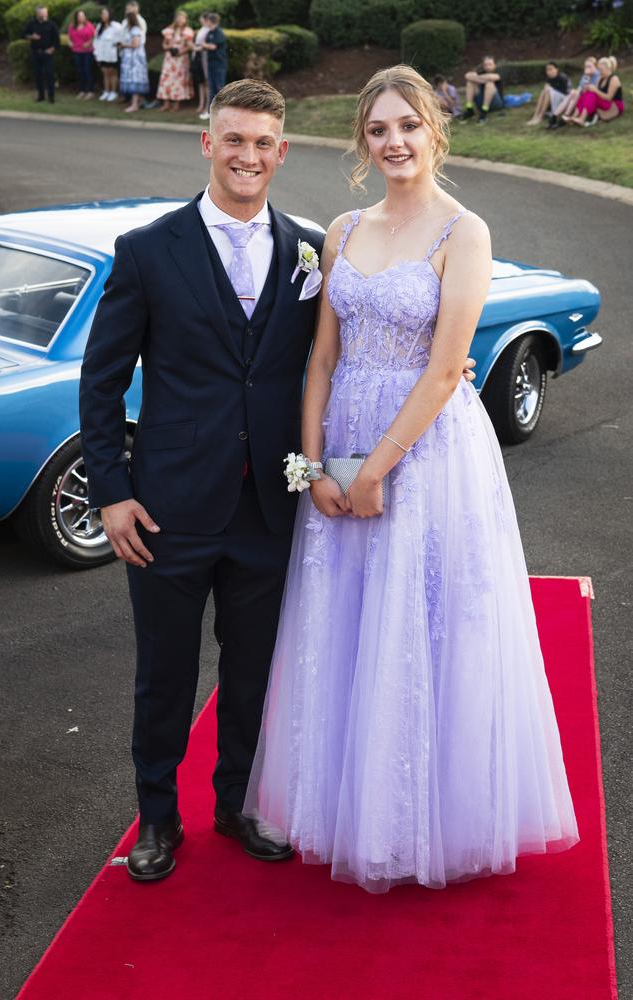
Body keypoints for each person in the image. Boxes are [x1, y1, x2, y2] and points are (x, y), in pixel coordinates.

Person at [79, 76, 477, 884]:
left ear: (282, 151)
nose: (247, 156)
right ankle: (159, 819)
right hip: (167, 508)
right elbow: (101, 377)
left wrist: (449, 369)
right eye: (233, 140)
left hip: (272, 505)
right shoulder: (148, 249)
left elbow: (351, 342)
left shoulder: (308, 245)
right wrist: (111, 491)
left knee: (256, 668)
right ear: (207, 144)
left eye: (263, 143)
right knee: (163, 671)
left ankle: (237, 804)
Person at [243, 64, 579, 893]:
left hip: (426, 451)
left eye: (408, 126)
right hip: (345, 444)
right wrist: (318, 467)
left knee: (422, 617)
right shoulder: (344, 227)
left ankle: (422, 817)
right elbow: (322, 357)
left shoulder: (464, 232)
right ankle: (343, 804)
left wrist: (373, 471)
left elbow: (440, 374)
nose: (394, 142)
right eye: (378, 130)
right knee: (349, 616)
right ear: (363, 140)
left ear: (436, 130)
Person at [567, 55, 624, 127]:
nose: (599, 72)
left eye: (601, 70)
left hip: (614, 104)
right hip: (604, 102)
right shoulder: (601, 78)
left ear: (608, 69)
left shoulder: (614, 79)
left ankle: (582, 119)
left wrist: (595, 90)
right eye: (599, 70)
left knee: (592, 94)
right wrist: (587, 88)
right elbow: (594, 91)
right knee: (586, 93)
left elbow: (609, 97)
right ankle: (575, 116)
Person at [156, 10, 194, 112]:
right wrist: (169, 47)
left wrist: (180, 51)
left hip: (181, 59)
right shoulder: (170, 30)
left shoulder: (187, 31)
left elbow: (190, 46)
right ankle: (166, 103)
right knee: (167, 79)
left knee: (178, 81)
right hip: (170, 59)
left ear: (185, 20)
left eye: (182, 18)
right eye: (179, 18)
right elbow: (164, 44)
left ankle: (176, 104)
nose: (180, 20)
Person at [23, 4, 59, 104]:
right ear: (37, 14)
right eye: (42, 13)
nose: (44, 15)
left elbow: (57, 40)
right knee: (38, 75)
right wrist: (31, 36)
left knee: (49, 74)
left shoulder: (52, 25)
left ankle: (51, 97)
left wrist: (52, 49)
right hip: (35, 53)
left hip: (47, 54)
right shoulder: (32, 24)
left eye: (45, 13)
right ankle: (41, 96)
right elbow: (23, 34)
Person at [117, 9, 149, 112]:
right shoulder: (131, 30)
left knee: (134, 81)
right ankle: (137, 102)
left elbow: (136, 44)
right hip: (129, 60)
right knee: (132, 81)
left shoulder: (135, 29)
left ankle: (135, 105)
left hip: (134, 61)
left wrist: (123, 45)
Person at [525, 61, 572, 126]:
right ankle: (535, 116)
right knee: (544, 91)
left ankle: (540, 117)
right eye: (547, 70)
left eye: (551, 69)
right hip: (554, 97)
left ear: (556, 69)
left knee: (548, 91)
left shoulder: (562, 78)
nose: (549, 71)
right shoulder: (549, 78)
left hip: (564, 100)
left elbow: (567, 93)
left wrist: (551, 89)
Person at [200, 11, 227, 120]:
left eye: (208, 21)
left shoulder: (218, 33)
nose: (207, 23)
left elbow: (213, 46)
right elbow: (207, 46)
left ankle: (222, 112)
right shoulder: (209, 33)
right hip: (211, 64)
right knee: (211, 88)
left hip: (219, 64)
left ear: (212, 21)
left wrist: (204, 45)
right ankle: (210, 112)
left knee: (219, 88)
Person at [460, 55, 503, 124]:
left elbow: (492, 77)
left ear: (494, 65)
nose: (488, 67)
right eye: (486, 65)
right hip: (481, 102)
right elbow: (467, 76)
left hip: (496, 103)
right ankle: (469, 109)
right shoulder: (481, 72)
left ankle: (484, 113)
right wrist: (482, 79)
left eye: (490, 64)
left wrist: (477, 78)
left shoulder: (499, 72)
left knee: (489, 84)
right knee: (470, 83)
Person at [94, 7, 122, 101]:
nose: (103, 16)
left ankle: (113, 92)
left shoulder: (116, 26)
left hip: (112, 54)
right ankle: (106, 91)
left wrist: (118, 45)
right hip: (102, 54)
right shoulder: (99, 26)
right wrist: (96, 52)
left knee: (112, 73)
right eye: (102, 14)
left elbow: (121, 38)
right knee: (105, 73)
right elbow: (96, 40)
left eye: (105, 14)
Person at [68, 8, 96, 99]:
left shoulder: (89, 25)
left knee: (87, 71)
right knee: (80, 71)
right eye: (79, 16)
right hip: (77, 51)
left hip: (87, 52)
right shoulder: (72, 26)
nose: (81, 17)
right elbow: (69, 37)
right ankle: (82, 90)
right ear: (76, 17)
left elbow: (94, 36)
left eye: (82, 16)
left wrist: (89, 42)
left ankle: (90, 91)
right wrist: (70, 42)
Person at [192, 11, 211, 116]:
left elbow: (203, 45)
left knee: (207, 83)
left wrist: (196, 48)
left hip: (205, 59)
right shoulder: (202, 30)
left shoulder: (208, 31)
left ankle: (207, 105)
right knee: (201, 83)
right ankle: (201, 104)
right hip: (198, 58)